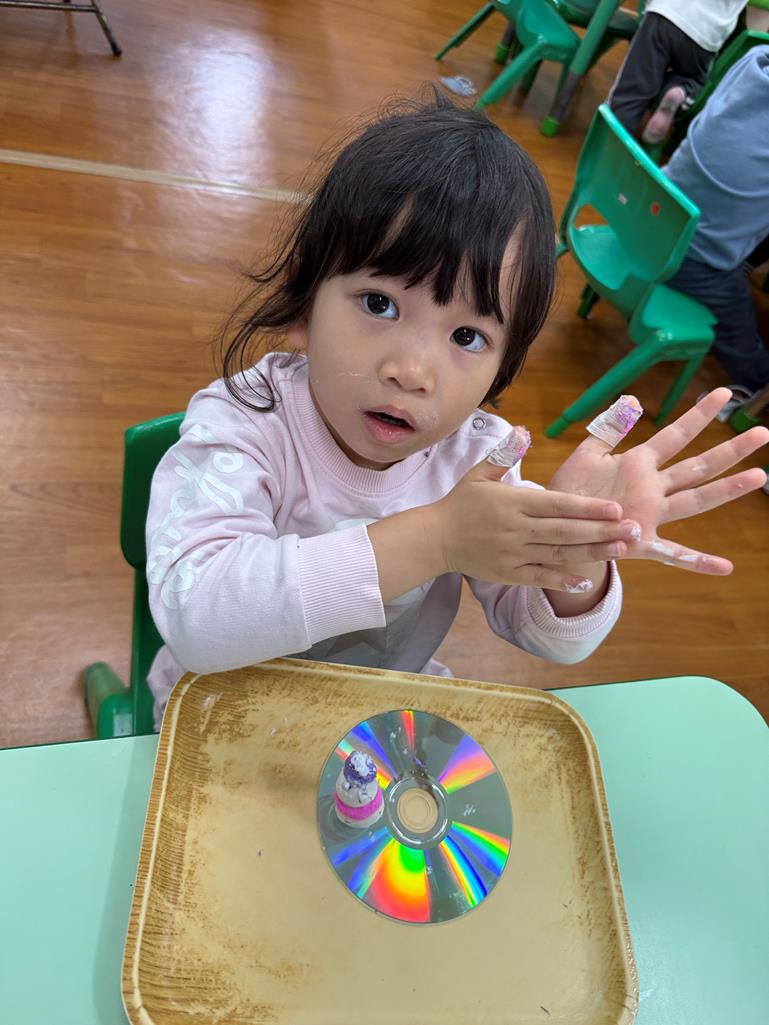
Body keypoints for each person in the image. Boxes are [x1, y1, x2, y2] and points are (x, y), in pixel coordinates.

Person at [144, 96, 768, 728]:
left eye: (467, 337)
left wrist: (579, 548)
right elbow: (199, 621)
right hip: (217, 719)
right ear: (305, 303)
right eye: (380, 303)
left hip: (372, 724)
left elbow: (553, 640)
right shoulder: (244, 424)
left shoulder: (477, 460)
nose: (412, 371)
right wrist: (437, 539)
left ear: (503, 366)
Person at [664, 45, 769, 414]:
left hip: (649, 212)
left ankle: (742, 259)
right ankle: (754, 385)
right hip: (693, 261)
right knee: (748, 350)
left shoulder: (755, 58)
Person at [608, 1, 747, 144]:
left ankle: (610, 142)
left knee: (633, 89)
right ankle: (680, 90)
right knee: (693, 79)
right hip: (707, 36)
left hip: (668, 12)